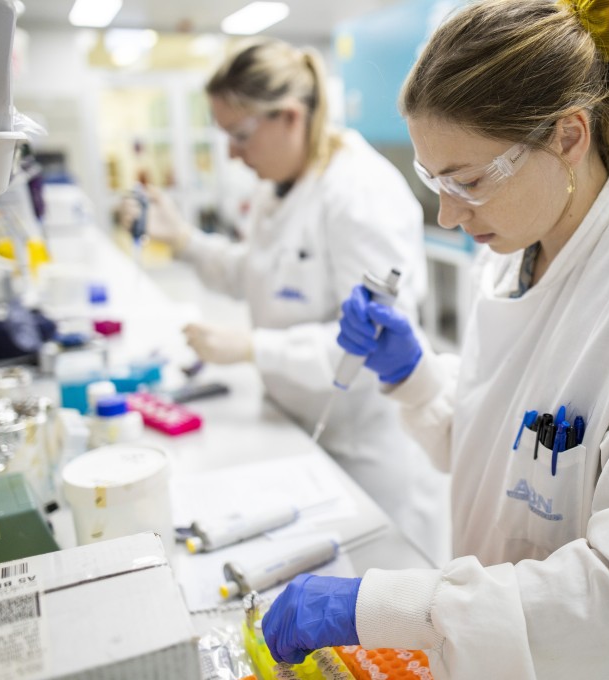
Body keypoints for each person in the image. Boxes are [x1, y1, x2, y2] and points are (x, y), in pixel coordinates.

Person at [261, 1, 609, 678]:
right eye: (433, 179)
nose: (446, 213)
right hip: (494, 646)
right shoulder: (508, 256)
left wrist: (384, 606)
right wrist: (413, 374)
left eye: (468, 181)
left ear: (567, 136)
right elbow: (507, 460)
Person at [129, 37, 449, 563]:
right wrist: (183, 240)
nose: (231, 152)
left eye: (240, 134)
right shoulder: (278, 185)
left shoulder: (357, 190)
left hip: (368, 454)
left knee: (380, 611)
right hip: (302, 433)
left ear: (290, 117)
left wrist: (255, 347)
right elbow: (256, 273)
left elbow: (376, 335)